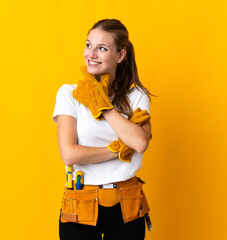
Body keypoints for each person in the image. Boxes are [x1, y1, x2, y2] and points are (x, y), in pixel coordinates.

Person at [52, 19, 154, 240]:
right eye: (89, 45)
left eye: (102, 48)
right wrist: (118, 149)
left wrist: (102, 107)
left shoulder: (137, 96)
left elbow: (139, 143)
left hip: (127, 203)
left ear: (120, 56)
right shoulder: (70, 94)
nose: (91, 54)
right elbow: (69, 154)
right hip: (81, 203)